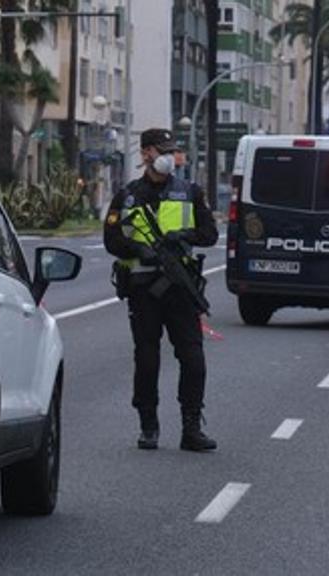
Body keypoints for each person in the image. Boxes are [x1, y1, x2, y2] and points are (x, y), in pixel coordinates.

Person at [103, 128, 219, 452]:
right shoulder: (127, 196)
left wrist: (182, 235)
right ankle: (148, 425)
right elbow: (111, 240)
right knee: (147, 358)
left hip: (180, 288)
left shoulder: (190, 192)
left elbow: (209, 234)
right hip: (143, 290)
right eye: (161, 150)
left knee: (193, 358)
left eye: (171, 150)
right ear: (145, 154)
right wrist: (136, 250)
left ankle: (191, 427)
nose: (168, 156)